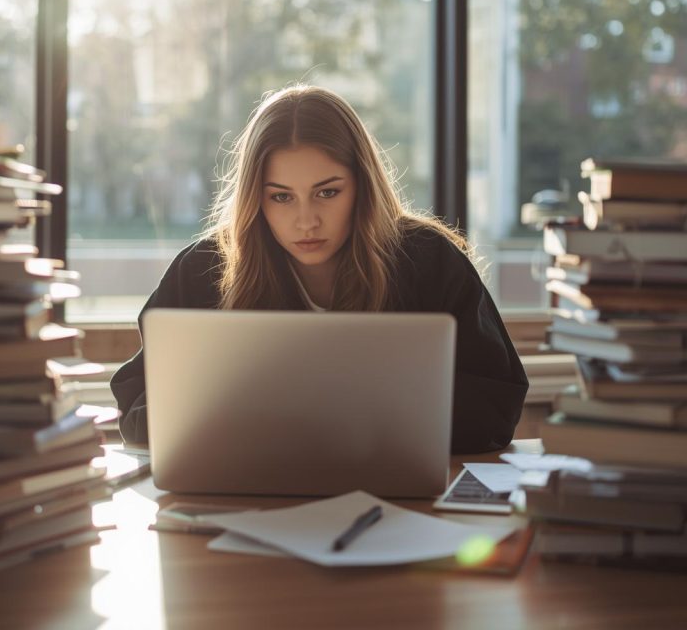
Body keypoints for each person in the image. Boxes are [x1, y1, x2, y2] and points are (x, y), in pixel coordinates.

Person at [111, 84, 528, 453]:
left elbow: (496, 411)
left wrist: (360, 400)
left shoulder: (428, 261)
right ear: (255, 199)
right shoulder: (202, 269)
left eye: (327, 192)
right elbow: (135, 412)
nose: (306, 221)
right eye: (281, 197)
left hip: (388, 496)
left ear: (362, 185)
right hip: (241, 498)